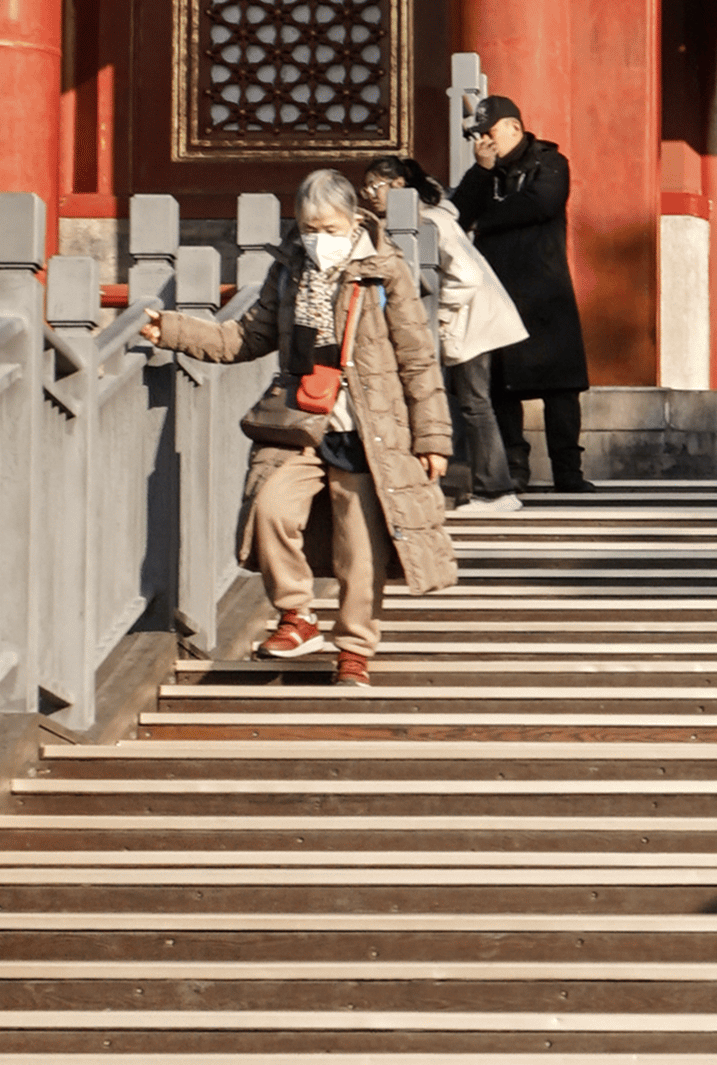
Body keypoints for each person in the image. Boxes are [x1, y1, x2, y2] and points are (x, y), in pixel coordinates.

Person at [144, 163, 454, 682]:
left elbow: (418, 359)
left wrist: (432, 436)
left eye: (330, 230)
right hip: (299, 422)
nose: (318, 240)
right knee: (269, 509)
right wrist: (170, 329)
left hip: (370, 428)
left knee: (361, 548)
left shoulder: (386, 270)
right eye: (310, 229)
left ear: (353, 220)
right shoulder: (289, 269)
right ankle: (297, 614)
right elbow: (243, 338)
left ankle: (354, 650)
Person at [453, 94, 592, 494]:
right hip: (498, 292)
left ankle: (569, 471)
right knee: (502, 385)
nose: (485, 140)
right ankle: (516, 469)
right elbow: (459, 214)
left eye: (490, 131)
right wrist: (481, 174)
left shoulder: (550, 163)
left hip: (546, 291)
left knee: (561, 387)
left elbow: (542, 203)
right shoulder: (485, 172)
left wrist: (486, 219)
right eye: (479, 135)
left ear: (513, 127)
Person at [372, 155, 524, 504]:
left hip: (470, 324)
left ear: (398, 186)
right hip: (471, 322)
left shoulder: (430, 222)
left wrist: (437, 312)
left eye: (375, 185)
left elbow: (466, 276)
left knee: (475, 405)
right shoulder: (428, 218)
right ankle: (478, 484)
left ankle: (496, 492)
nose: (369, 193)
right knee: (469, 404)